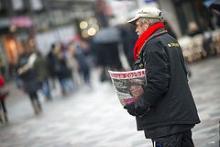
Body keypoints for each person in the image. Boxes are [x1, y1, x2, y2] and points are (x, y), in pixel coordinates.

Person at [124, 7, 200, 147]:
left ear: (146, 24)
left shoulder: (152, 45)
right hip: (179, 115)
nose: (136, 30)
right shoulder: (169, 39)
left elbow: (157, 83)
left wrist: (138, 106)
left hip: (166, 120)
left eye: (137, 25)